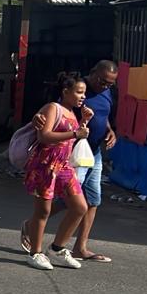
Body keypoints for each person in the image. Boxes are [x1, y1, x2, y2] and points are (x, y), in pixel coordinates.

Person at [37, 61, 118, 262]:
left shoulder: (106, 93)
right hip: (73, 153)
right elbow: (56, 114)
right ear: (92, 73)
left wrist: (109, 130)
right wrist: (38, 119)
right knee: (71, 199)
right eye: (102, 81)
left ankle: (80, 247)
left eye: (110, 84)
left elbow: (103, 115)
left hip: (93, 153)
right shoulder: (78, 89)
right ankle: (33, 226)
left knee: (92, 199)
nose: (105, 86)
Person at [19, 71, 92, 270]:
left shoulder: (73, 113)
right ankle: (35, 253)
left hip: (64, 166)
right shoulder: (54, 108)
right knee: (43, 211)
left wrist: (84, 123)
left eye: (84, 92)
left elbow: (73, 138)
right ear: (66, 91)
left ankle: (58, 248)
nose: (83, 96)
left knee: (79, 207)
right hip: (45, 165)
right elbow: (44, 136)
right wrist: (77, 132)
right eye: (79, 92)